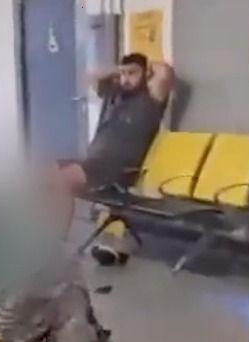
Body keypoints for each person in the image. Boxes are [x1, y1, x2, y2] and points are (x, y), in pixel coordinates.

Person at [52, 53, 175, 235]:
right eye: (123, 74)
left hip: (116, 168)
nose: (126, 79)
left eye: (132, 73)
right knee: (41, 172)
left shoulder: (151, 99)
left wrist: (145, 66)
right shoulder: (114, 93)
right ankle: (45, 232)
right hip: (92, 162)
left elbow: (164, 71)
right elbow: (91, 76)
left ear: (146, 74)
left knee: (61, 181)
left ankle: (58, 242)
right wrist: (120, 69)